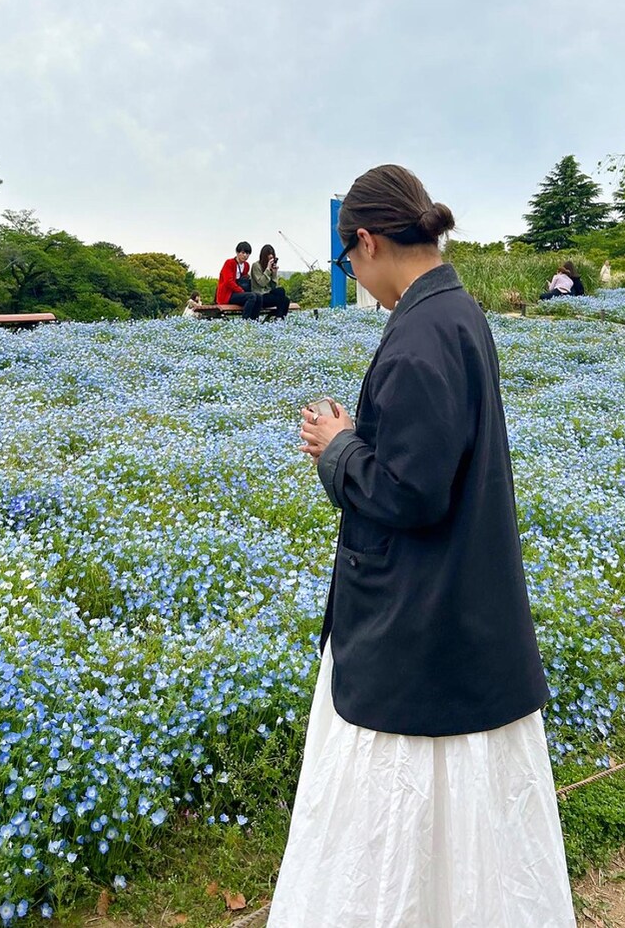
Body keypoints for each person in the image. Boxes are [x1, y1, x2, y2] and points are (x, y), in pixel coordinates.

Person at [268, 164, 575, 927]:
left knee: (388, 832)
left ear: (367, 241)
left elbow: (410, 492)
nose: (354, 275)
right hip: (464, 615)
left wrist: (337, 447)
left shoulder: (418, 334)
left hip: (413, 629)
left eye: (348, 261)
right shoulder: (456, 310)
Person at [215, 243, 263, 319]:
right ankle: (245, 320)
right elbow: (228, 282)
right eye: (243, 253)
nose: (245, 255)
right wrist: (241, 291)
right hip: (227, 294)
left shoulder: (246, 265)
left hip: (238, 293)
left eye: (247, 253)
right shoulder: (229, 263)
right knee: (251, 296)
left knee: (259, 296)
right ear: (237, 252)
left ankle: (254, 320)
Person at [250, 244, 290, 319]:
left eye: (272, 254)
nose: (271, 256)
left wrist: (274, 273)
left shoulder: (270, 267)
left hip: (269, 293)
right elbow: (261, 283)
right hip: (260, 296)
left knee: (283, 293)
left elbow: (273, 286)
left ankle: (279, 319)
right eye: (269, 254)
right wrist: (268, 269)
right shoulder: (256, 265)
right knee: (284, 300)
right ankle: (279, 319)